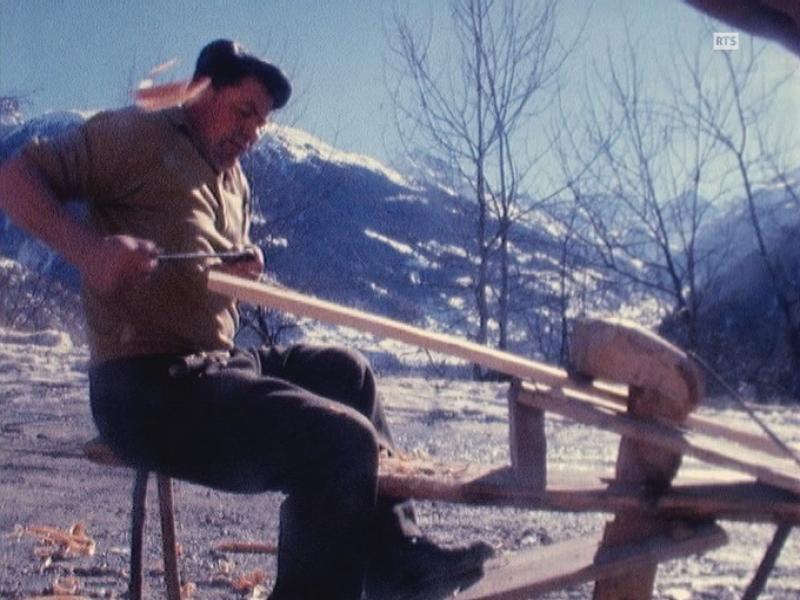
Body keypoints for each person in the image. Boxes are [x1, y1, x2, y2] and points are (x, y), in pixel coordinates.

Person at [0, 39, 492, 599]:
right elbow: (15, 179)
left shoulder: (233, 180)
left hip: (215, 367)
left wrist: (235, 263)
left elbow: (194, 252)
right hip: (144, 389)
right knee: (339, 444)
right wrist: (87, 251)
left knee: (347, 373)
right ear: (200, 92)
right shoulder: (132, 135)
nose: (253, 131)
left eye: (262, 122)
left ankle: (394, 564)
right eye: (244, 111)